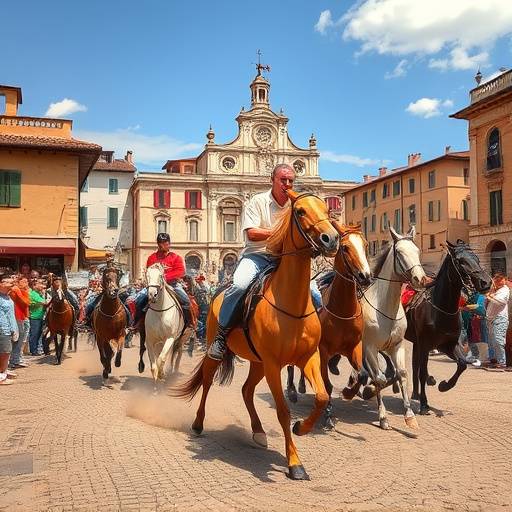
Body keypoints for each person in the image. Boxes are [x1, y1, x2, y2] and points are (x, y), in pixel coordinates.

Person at [207, 163, 296, 360]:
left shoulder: (296, 204)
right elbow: (252, 233)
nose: (287, 184)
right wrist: (282, 234)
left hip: (285, 259)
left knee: (314, 291)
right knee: (239, 285)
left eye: (291, 181)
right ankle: (221, 336)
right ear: (272, 180)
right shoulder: (258, 201)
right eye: (283, 180)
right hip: (256, 256)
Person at [132, 233, 191, 326]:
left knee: (186, 300)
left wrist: (164, 277)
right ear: (158, 244)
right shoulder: (152, 258)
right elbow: (149, 271)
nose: (162, 245)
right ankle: (136, 324)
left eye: (165, 243)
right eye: (160, 243)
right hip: (155, 285)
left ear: (169, 244)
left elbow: (180, 272)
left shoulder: (176, 257)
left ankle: (189, 324)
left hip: (172, 285)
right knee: (138, 300)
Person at [485, 272, 510, 371]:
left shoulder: (505, 290)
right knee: (493, 341)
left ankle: (502, 362)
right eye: (497, 279)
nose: (499, 281)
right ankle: (497, 360)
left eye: (501, 279)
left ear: (505, 280)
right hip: (491, 319)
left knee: (498, 339)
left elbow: (500, 302)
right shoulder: (495, 291)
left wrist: (489, 296)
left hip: (500, 318)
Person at [8, 275, 31, 369]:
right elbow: (26, 302)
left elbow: (27, 303)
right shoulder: (15, 290)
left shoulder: (21, 291)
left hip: (23, 316)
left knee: (22, 339)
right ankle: (15, 359)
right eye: (24, 281)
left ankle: (18, 358)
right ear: (18, 282)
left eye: (27, 282)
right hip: (18, 316)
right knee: (18, 339)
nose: (27, 284)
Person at [0, 273, 18, 385]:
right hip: (3, 329)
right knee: (4, 352)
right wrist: (5, 329)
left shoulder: (7, 296)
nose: (11, 283)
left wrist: (14, 328)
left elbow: (10, 314)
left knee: (6, 352)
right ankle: (1, 376)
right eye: (7, 282)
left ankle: (4, 372)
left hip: (9, 328)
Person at [28, 279, 48, 355]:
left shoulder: (38, 294)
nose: (42, 285)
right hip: (35, 317)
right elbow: (44, 302)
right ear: (34, 286)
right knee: (34, 334)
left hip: (40, 317)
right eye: (39, 284)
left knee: (39, 334)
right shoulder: (33, 294)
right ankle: (33, 351)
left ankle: (37, 349)